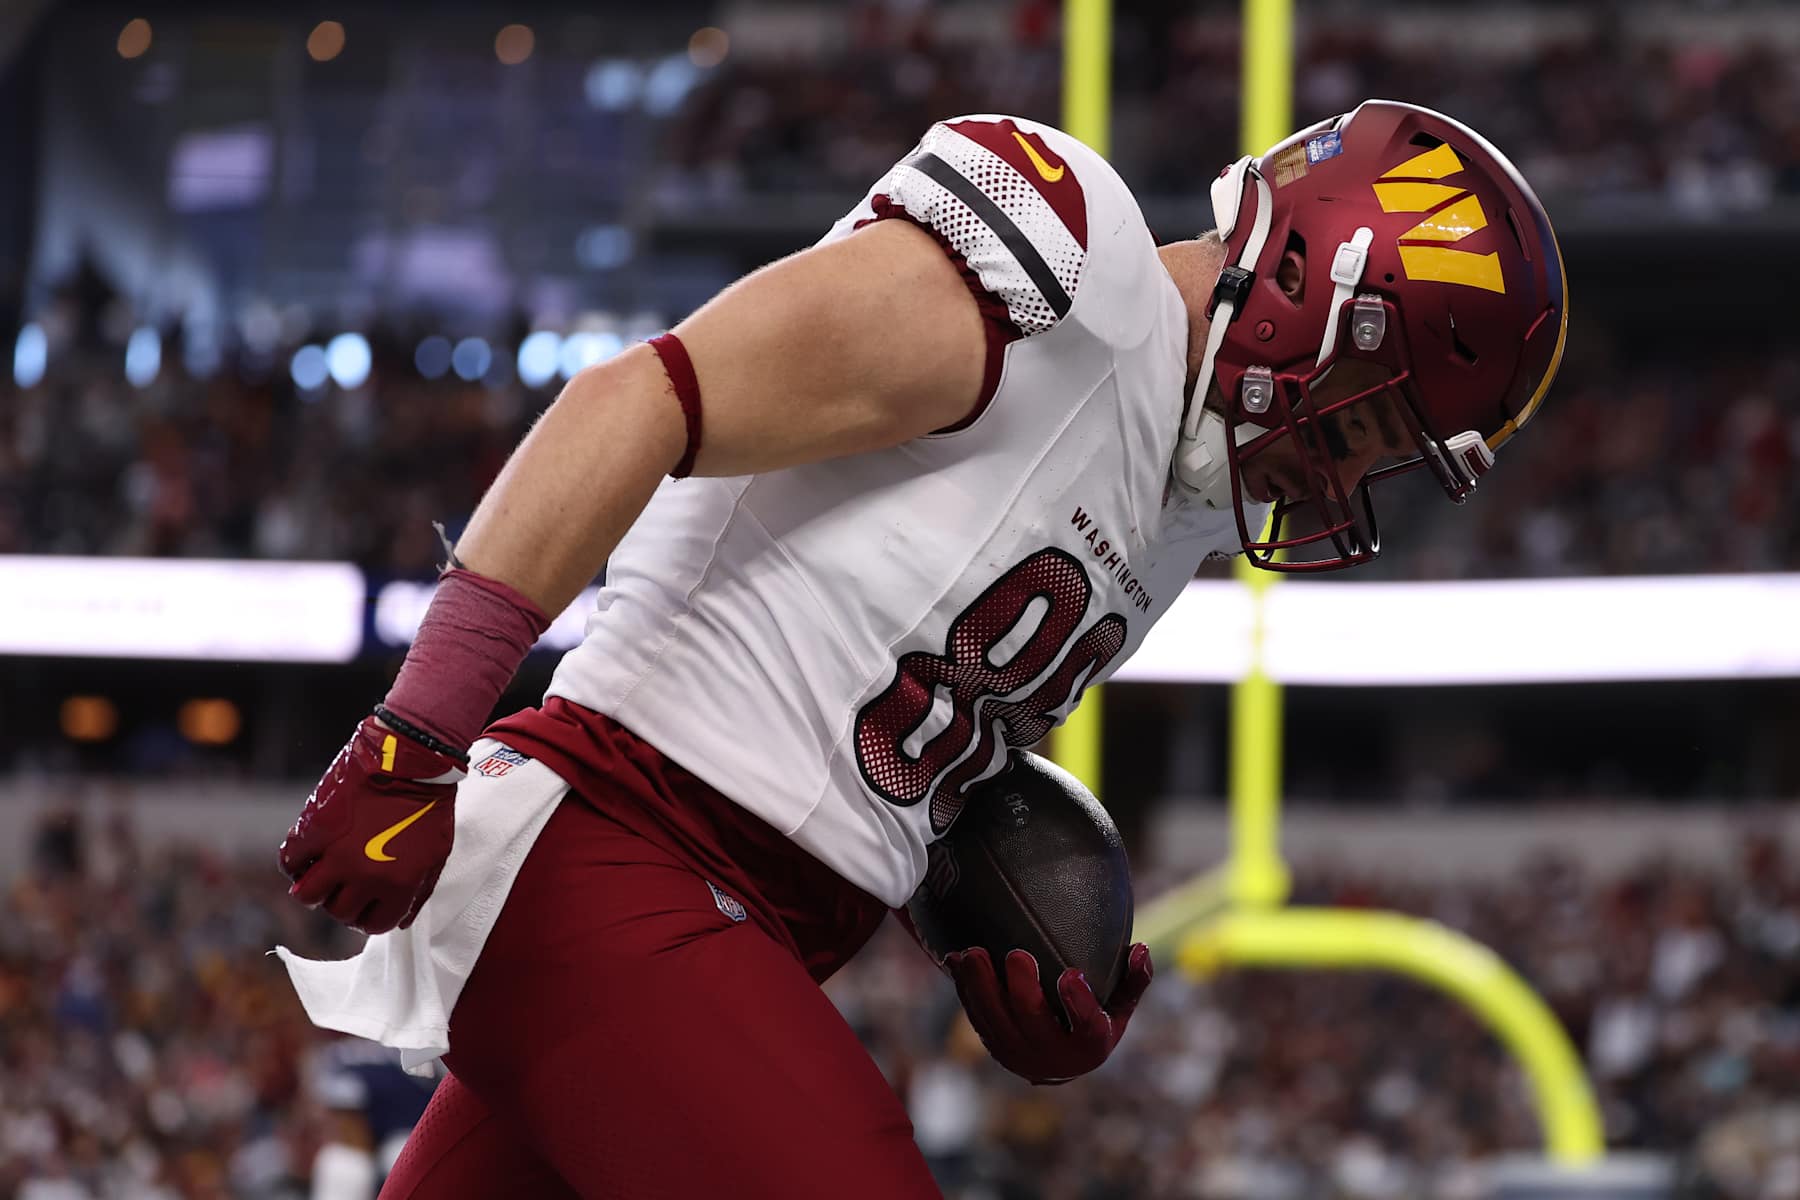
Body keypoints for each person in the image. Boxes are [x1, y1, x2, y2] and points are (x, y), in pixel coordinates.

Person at [276, 99, 1568, 1198]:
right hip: (619, 838)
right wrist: (420, 725)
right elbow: (640, 398)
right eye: (1357, 427)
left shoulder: (1180, 500)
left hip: (732, 914)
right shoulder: (1066, 272)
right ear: (1313, 288)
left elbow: (887, 717)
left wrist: (983, 931)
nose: (1334, 478)